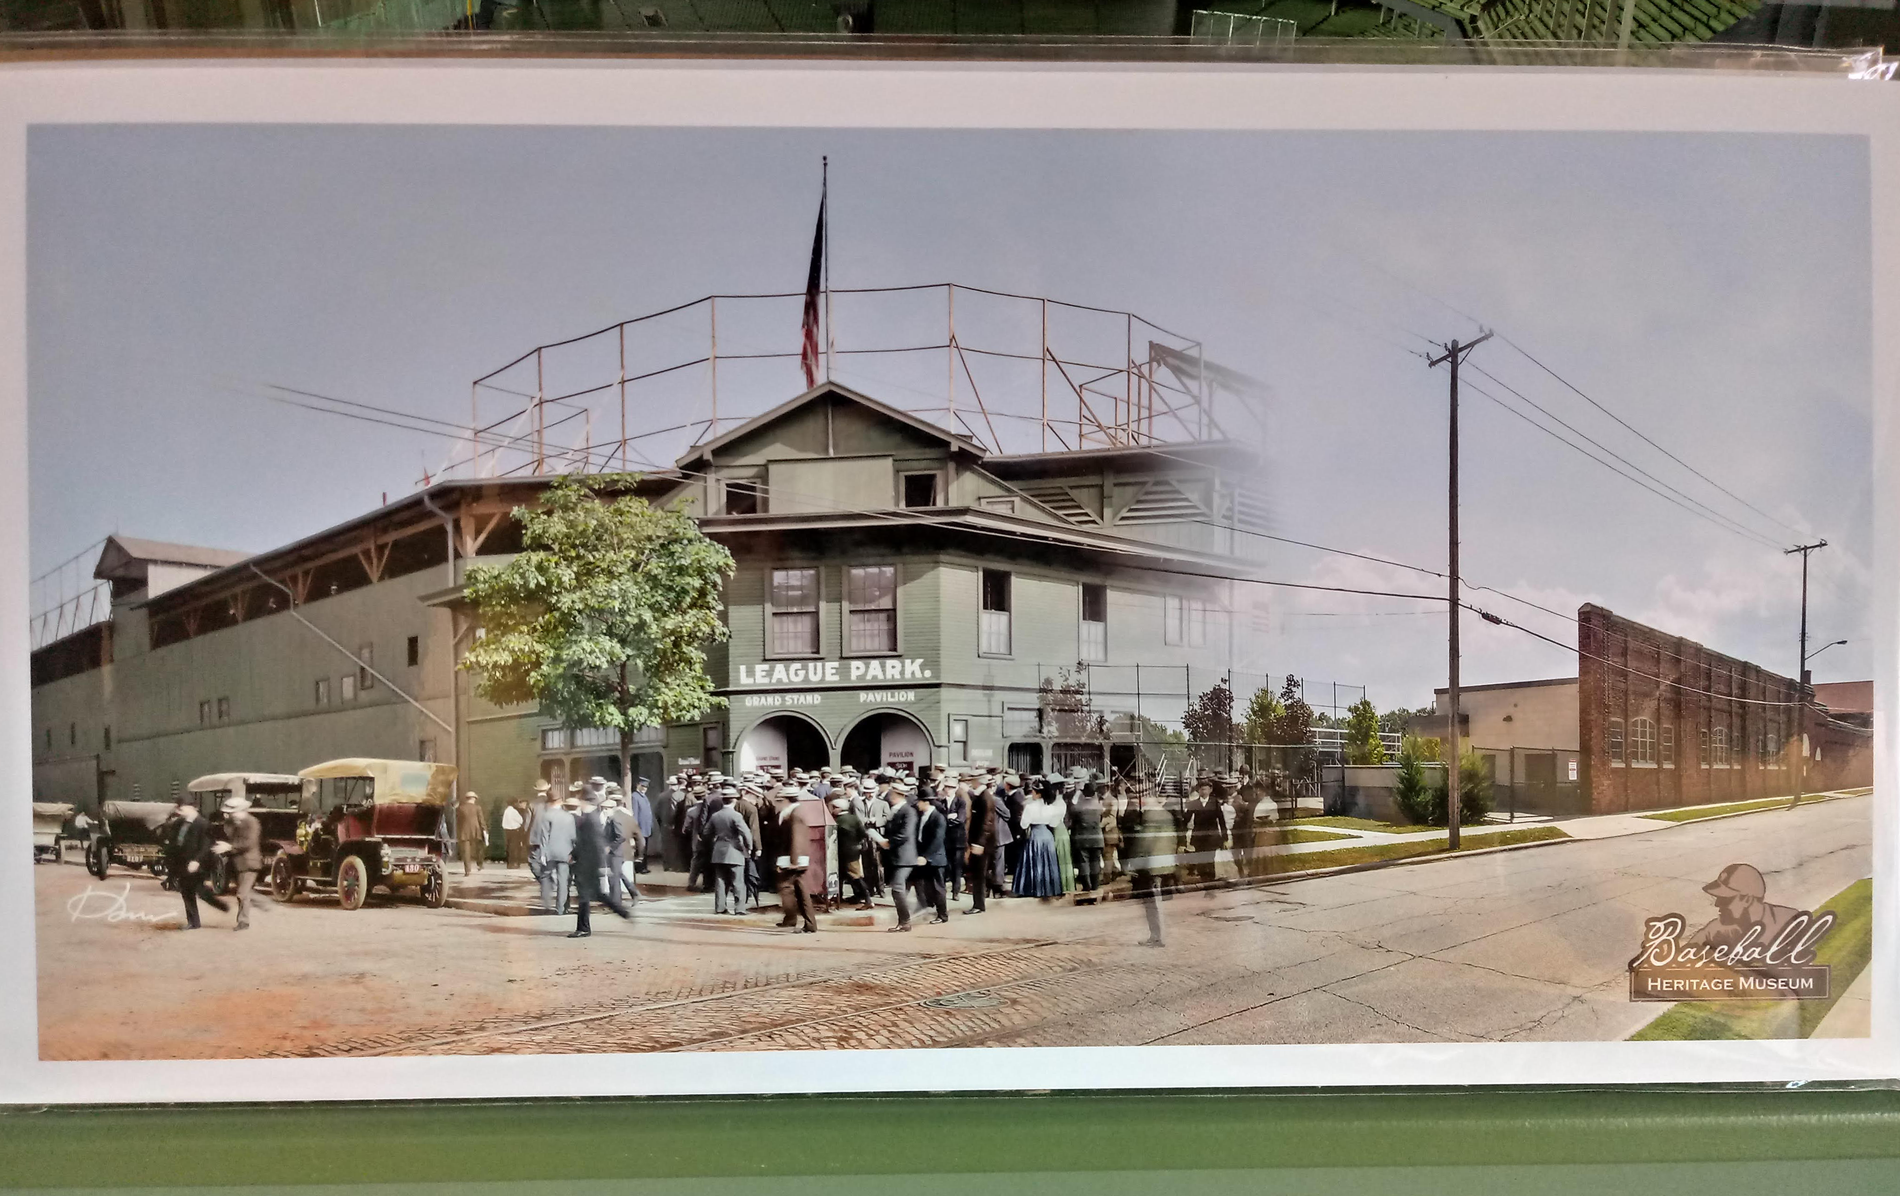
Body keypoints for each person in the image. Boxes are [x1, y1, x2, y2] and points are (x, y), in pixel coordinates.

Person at [568, 789, 633, 938]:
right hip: (588, 862)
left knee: (584, 896)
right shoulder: (591, 817)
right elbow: (584, 843)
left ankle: (583, 928)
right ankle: (623, 913)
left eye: (581, 801)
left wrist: (593, 862)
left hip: (588, 864)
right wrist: (574, 854)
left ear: (586, 801)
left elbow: (594, 843)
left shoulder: (590, 819)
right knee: (598, 894)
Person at [162, 796, 228, 929]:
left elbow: (206, 845)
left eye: (183, 807)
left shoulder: (203, 824)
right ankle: (193, 922)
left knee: (196, 889)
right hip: (182, 862)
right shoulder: (179, 823)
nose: (180, 810)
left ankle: (218, 906)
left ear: (193, 808)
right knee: (187, 891)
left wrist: (197, 861)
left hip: (197, 863)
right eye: (179, 808)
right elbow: (174, 840)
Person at [1124, 782, 1177, 947]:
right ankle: (1156, 936)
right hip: (1163, 863)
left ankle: (1156, 937)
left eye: (1135, 800)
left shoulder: (1149, 816)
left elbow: (1144, 843)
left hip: (1151, 865)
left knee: (1152, 903)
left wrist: (1132, 863)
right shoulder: (1165, 814)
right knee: (1155, 901)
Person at [769, 784, 819, 933]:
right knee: (800, 891)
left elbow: (796, 838)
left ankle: (797, 920)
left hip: (792, 859)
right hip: (793, 857)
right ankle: (803, 922)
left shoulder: (795, 814)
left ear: (786, 799)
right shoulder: (792, 812)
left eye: (780, 799)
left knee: (786, 888)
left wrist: (793, 862)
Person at [875, 782, 919, 931]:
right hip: (896, 856)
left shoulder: (908, 811)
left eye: (893, 794)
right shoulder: (895, 811)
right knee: (901, 890)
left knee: (897, 888)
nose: (890, 797)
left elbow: (905, 834)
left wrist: (888, 842)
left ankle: (905, 921)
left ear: (899, 796)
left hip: (904, 856)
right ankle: (904, 920)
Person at [1013, 778, 1064, 899]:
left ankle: (1033, 888)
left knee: (1034, 861)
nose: (1032, 794)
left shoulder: (1030, 807)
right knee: (1048, 861)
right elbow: (1054, 823)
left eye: (1034, 792)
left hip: (1035, 834)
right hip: (1047, 835)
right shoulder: (1051, 807)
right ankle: (1049, 887)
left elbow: (1024, 824)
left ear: (1038, 793)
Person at [221, 794, 264, 931]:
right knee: (244, 893)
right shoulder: (235, 823)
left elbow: (249, 843)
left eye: (231, 812)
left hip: (249, 863)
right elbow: (229, 835)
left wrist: (230, 847)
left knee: (242, 894)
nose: (230, 815)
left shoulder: (252, 823)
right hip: (238, 863)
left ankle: (244, 922)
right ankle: (265, 904)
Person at [707, 792, 753, 915]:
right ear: (734, 800)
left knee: (720, 881)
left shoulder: (715, 816)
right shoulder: (736, 816)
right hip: (735, 850)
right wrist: (749, 847)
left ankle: (720, 907)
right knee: (738, 881)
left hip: (718, 850)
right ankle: (739, 908)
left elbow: (706, 832)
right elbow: (746, 832)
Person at [531, 789, 576, 915]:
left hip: (550, 851)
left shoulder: (546, 815)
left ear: (549, 802)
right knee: (563, 880)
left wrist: (543, 853)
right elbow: (573, 836)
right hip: (566, 851)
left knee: (545, 875)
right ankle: (560, 908)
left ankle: (546, 903)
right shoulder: (569, 816)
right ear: (560, 801)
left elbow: (544, 837)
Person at [913, 788, 950, 923]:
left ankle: (942, 915)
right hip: (924, 857)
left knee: (938, 888)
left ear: (926, 802)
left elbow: (937, 840)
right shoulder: (922, 816)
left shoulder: (938, 818)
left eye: (919, 802)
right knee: (927, 886)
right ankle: (929, 907)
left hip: (935, 858)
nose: (917, 804)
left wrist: (926, 856)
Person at [1185, 778, 1229, 889]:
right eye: (1201, 789)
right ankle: (1203, 881)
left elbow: (1221, 820)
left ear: (1210, 790)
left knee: (1210, 859)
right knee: (1201, 860)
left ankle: (1210, 883)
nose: (1203, 792)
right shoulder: (1194, 803)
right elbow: (1186, 819)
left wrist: (1225, 837)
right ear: (1199, 791)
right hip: (1199, 836)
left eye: (1206, 789)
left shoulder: (1214, 803)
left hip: (1212, 837)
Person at [831, 796, 871, 909]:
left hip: (841, 853)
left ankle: (867, 899)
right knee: (852, 875)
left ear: (838, 808)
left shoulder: (836, 821)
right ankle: (859, 897)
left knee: (852, 876)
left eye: (834, 807)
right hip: (854, 851)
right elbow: (863, 833)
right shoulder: (854, 818)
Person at [1068, 781, 1106, 901]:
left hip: (1082, 838)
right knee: (1095, 862)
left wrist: (1077, 794)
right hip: (1096, 837)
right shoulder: (1099, 806)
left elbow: (1071, 812)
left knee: (1084, 862)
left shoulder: (1078, 807)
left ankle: (1087, 886)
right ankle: (1095, 885)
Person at [600, 793, 639, 909]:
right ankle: (634, 892)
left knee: (614, 878)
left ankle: (616, 903)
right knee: (618, 874)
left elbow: (621, 836)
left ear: (612, 808)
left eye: (606, 808)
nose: (604, 811)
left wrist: (610, 847)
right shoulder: (610, 819)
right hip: (614, 853)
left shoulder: (614, 819)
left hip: (615, 853)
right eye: (603, 808)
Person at [963, 774, 995, 914]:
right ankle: (979, 902)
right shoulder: (980, 796)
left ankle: (979, 905)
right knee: (978, 873)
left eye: (973, 780)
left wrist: (980, 843)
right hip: (977, 841)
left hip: (982, 843)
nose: (971, 783)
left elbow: (987, 822)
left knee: (979, 874)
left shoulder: (984, 798)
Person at [862, 778, 890, 898]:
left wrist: (877, 820)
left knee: (878, 863)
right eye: (868, 791)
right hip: (865, 836)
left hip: (878, 835)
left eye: (872, 791)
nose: (870, 794)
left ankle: (881, 888)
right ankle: (870, 889)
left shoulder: (883, 803)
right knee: (866, 864)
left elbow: (888, 818)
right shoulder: (860, 803)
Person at [941, 777, 968, 898]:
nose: (948, 790)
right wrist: (950, 817)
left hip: (958, 839)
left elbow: (961, 820)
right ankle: (946, 889)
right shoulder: (941, 802)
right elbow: (939, 819)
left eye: (951, 787)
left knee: (957, 866)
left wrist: (950, 819)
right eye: (947, 787)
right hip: (945, 839)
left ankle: (955, 891)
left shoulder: (960, 802)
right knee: (948, 865)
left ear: (955, 788)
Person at [1052, 774, 1076, 894]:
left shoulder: (1058, 802)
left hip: (1058, 829)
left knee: (1061, 858)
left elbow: (1054, 820)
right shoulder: (1058, 801)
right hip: (1060, 830)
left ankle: (1063, 885)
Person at [456, 792, 487, 877]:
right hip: (476, 831)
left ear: (466, 799)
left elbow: (458, 821)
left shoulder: (460, 808)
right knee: (479, 848)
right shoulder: (477, 808)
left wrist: (459, 832)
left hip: (464, 832)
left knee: (466, 852)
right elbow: (481, 820)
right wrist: (485, 830)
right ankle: (480, 865)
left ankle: (467, 870)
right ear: (474, 799)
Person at [628, 778, 656, 873]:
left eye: (646, 787)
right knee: (640, 849)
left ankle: (643, 867)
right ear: (638, 785)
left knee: (644, 849)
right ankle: (639, 868)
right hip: (640, 828)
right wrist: (635, 828)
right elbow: (635, 813)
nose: (644, 788)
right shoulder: (635, 797)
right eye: (642, 786)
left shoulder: (644, 797)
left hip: (646, 828)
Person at [1100, 782, 1124, 883]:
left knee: (1107, 854)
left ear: (1106, 788)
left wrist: (1099, 824)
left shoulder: (1113, 801)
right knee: (1108, 854)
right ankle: (1114, 871)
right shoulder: (1100, 799)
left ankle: (1107, 877)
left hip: (1110, 831)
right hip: (1105, 831)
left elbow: (1112, 816)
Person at [501, 799, 530, 869]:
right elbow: (520, 820)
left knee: (508, 847)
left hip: (507, 831)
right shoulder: (514, 811)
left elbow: (503, 822)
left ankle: (509, 863)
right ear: (513, 803)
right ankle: (514, 863)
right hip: (514, 831)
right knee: (514, 848)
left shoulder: (506, 811)